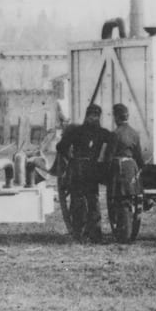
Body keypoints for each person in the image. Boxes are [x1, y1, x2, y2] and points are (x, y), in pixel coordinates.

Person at [54, 103, 112, 243]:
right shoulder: (102, 133)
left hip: (79, 168)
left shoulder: (77, 131)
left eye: (95, 116)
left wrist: (70, 158)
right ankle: (94, 234)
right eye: (93, 116)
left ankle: (80, 234)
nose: (94, 118)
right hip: (90, 169)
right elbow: (114, 141)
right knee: (91, 201)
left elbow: (61, 146)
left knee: (82, 200)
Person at [108, 103, 146, 224]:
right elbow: (138, 155)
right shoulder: (135, 133)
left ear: (116, 117)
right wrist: (142, 169)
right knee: (132, 195)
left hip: (118, 168)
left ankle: (121, 224)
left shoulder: (115, 134)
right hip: (131, 167)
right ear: (127, 116)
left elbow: (109, 155)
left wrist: (104, 171)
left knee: (118, 196)